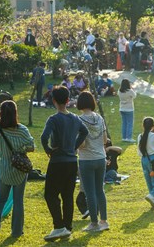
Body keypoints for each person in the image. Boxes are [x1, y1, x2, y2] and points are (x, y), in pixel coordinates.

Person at [41, 86, 88, 241]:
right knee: (67, 196)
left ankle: (59, 226)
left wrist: (48, 149)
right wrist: (74, 146)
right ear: (68, 100)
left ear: (53, 101)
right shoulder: (75, 118)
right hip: (72, 162)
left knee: (50, 194)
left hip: (57, 162)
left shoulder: (53, 119)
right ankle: (67, 227)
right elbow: (85, 132)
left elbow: (44, 137)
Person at [0, 100, 35, 238]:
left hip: (5, 170)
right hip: (19, 169)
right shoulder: (22, 129)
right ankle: (17, 231)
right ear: (15, 113)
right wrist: (20, 149)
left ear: (1, 113)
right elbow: (31, 146)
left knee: (1, 199)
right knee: (18, 200)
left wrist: (1, 148)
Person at [76, 91, 109, 232]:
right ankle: (104, 221)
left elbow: (82, 144)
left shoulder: (79, 120)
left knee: (90, 192)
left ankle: (94, 223)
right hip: (101, 158)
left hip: (86, 159)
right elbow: (104, 140)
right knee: (100, 190)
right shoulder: (99, 118)